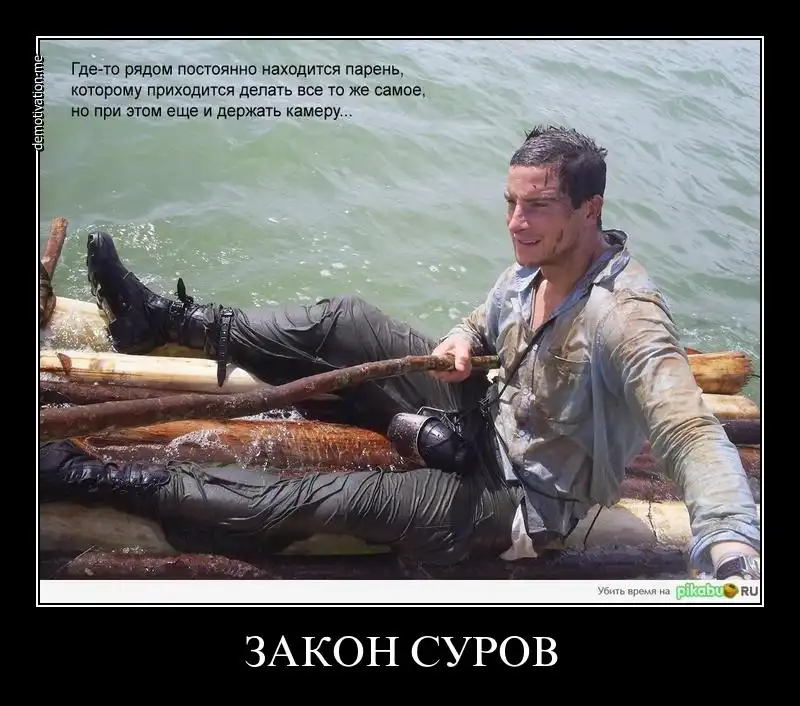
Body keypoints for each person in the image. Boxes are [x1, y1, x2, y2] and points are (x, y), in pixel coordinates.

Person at [39, 125, 761, 580]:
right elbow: (487, 318)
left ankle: (91, 476)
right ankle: (167, 321)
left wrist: (730, 543)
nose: (516, 222)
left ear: (589, 209)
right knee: (344, 319)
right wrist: (462, 338)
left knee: (323, 496)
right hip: (485, 416)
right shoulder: (537, 263)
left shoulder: (626, 318)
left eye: (537, 206)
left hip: (523, 499)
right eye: (510, 202)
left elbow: (688, 428)